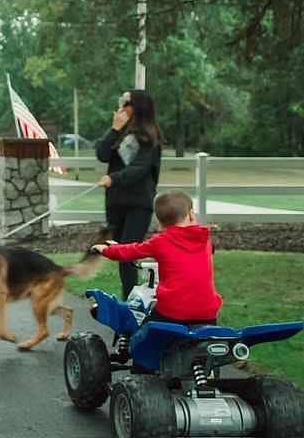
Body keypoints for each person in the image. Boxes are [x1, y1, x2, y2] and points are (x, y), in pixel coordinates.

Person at [91, 190, 222, 326]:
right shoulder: (205, 240)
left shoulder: (161, 242)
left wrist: (106, 249)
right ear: (191, 214)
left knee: (142, 333)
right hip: (207, 313)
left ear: (161, 224)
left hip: (173, 312)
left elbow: (131, 251)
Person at [95, 89, 164, 300]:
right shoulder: (120, 133)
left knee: (128, 252)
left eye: (126, 102)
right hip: (116, 202)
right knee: (120, 253)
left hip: (138, 202)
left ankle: (131, 302)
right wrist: (114, 129)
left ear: (138, 107)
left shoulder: (150, 138)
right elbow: (102, 154)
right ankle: (132, 298)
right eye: (121, 101)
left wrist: (114, 178)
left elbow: (140, 168)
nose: (121, 107)